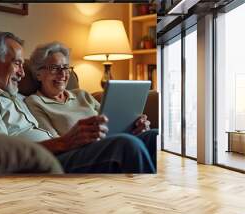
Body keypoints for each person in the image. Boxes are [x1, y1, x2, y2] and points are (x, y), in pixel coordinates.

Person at [0, 31, 155, 173]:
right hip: (44, 163)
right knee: (125, 146)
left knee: (152, 136)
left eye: (23, 65)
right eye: (17, 64)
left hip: (62, 152)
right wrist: (64, 142)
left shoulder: (16, 96)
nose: (23, 73)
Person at [25, 42, 157, 167]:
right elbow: (55, 141)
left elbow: (109, 119)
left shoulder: (81, 94)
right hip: (79, 153)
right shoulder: (35, 102)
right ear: (38, 74)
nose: (62, 74)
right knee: (127, 144)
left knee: (154, 135)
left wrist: (133, 125)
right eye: (54, 68)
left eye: (65, 67)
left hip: (109, 140)